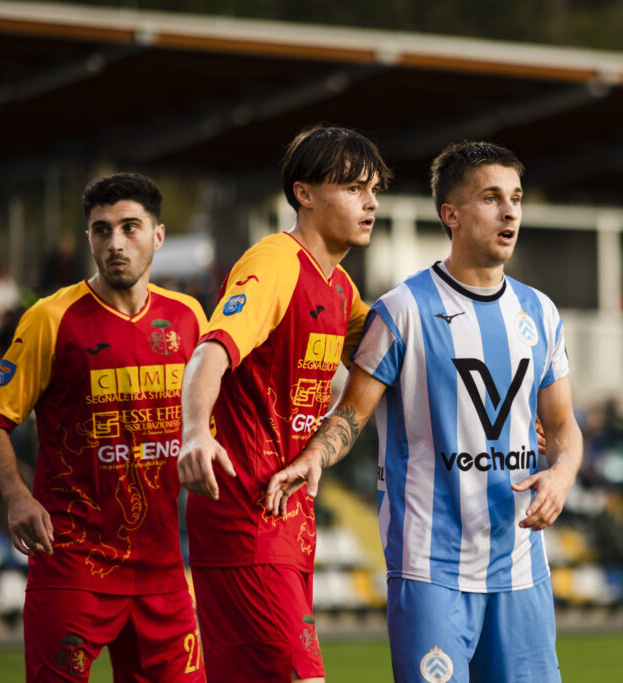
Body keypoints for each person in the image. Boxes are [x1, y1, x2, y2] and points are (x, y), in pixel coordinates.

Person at [267, 141, 583, 682]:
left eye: (516, 198)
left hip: (521, 568)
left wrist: (560, 476)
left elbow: (563, 427)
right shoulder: (403, 310)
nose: (510, 212)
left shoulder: (540, 312)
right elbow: (353, 414)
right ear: (451, 215)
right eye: (491, 198)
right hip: (431, 571)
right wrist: (316, 455)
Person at [177, 124, 391, 682]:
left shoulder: (340, 289)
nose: (370, 203)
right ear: (304, 193)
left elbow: (398, 360)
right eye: (353, 188)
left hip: (288, 518)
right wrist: (196, 431)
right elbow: (210, 352)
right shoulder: (274, 264)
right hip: (246, 516)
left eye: (374, 190)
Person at [0, 173, 208, 681]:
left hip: (162, 570)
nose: (115, 243)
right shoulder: (50, 318)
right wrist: (17, 497)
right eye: (101, 230)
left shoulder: (190, 319)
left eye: (130, 227)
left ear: (158, 235)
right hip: (72, 564)